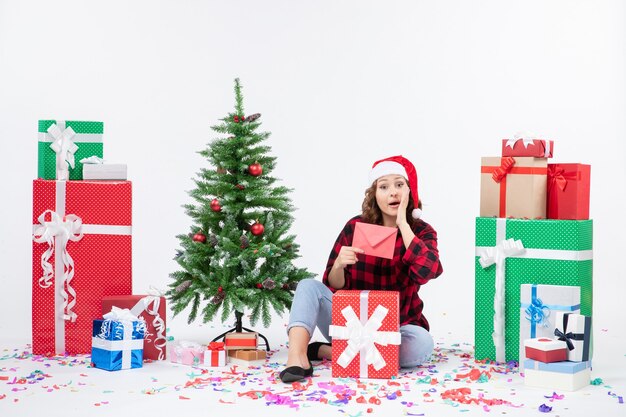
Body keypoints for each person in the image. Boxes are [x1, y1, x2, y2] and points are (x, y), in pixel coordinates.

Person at [279, 155, 444, 383]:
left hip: (396, 328)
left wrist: (403, 225)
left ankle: (329, 352)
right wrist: (339, 264)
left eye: (399, 185)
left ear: (410, 191)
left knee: (422, 344)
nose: (393, 192)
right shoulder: (355, 226)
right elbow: (333, 285)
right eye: (384, 187)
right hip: (351, 325)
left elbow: (429, 271)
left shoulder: (422, 231)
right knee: (308, 286)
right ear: (374, 195)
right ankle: (297, 357)